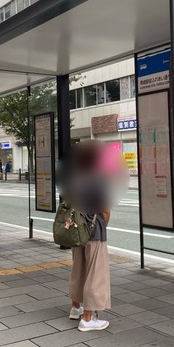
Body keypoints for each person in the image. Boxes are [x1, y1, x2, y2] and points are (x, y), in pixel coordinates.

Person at [61, 141, 127, 332]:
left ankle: (76, 307)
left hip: (76, 230)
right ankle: (88, 318)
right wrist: (103, 225)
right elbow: (105, 209)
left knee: (78, 269)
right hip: (94, 230)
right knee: (95, 273)